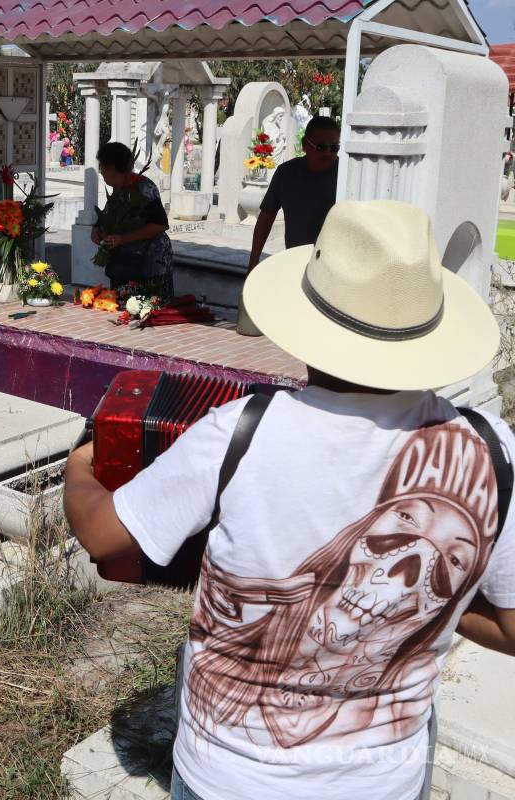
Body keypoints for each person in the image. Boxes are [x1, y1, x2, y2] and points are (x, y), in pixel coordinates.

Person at [65, 199, 515, 800]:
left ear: (309, 318)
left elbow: (103, 537)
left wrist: (79, 467)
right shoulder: (491, 448)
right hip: (382, 783)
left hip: (228, 778)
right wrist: (417, 611)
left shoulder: (240, 434)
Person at [247, 115, 340, 271]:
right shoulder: (286, 173)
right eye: (321, 147)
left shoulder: (345, 176)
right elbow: (266, 217)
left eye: (334, 148)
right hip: (296, 263)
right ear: (304, 145)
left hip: (334, 268)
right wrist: (253, 261)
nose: (328, 153)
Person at [90, 141, 173, 294]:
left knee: (147, 306)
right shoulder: (118, 188)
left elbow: (159, 224)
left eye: (102, 167)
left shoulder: (144, 188)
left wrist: (123, 239)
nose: (101, 172)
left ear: (112, 168)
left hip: (150, 262)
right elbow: (109, 216)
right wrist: (97, 230)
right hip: (124, 264)